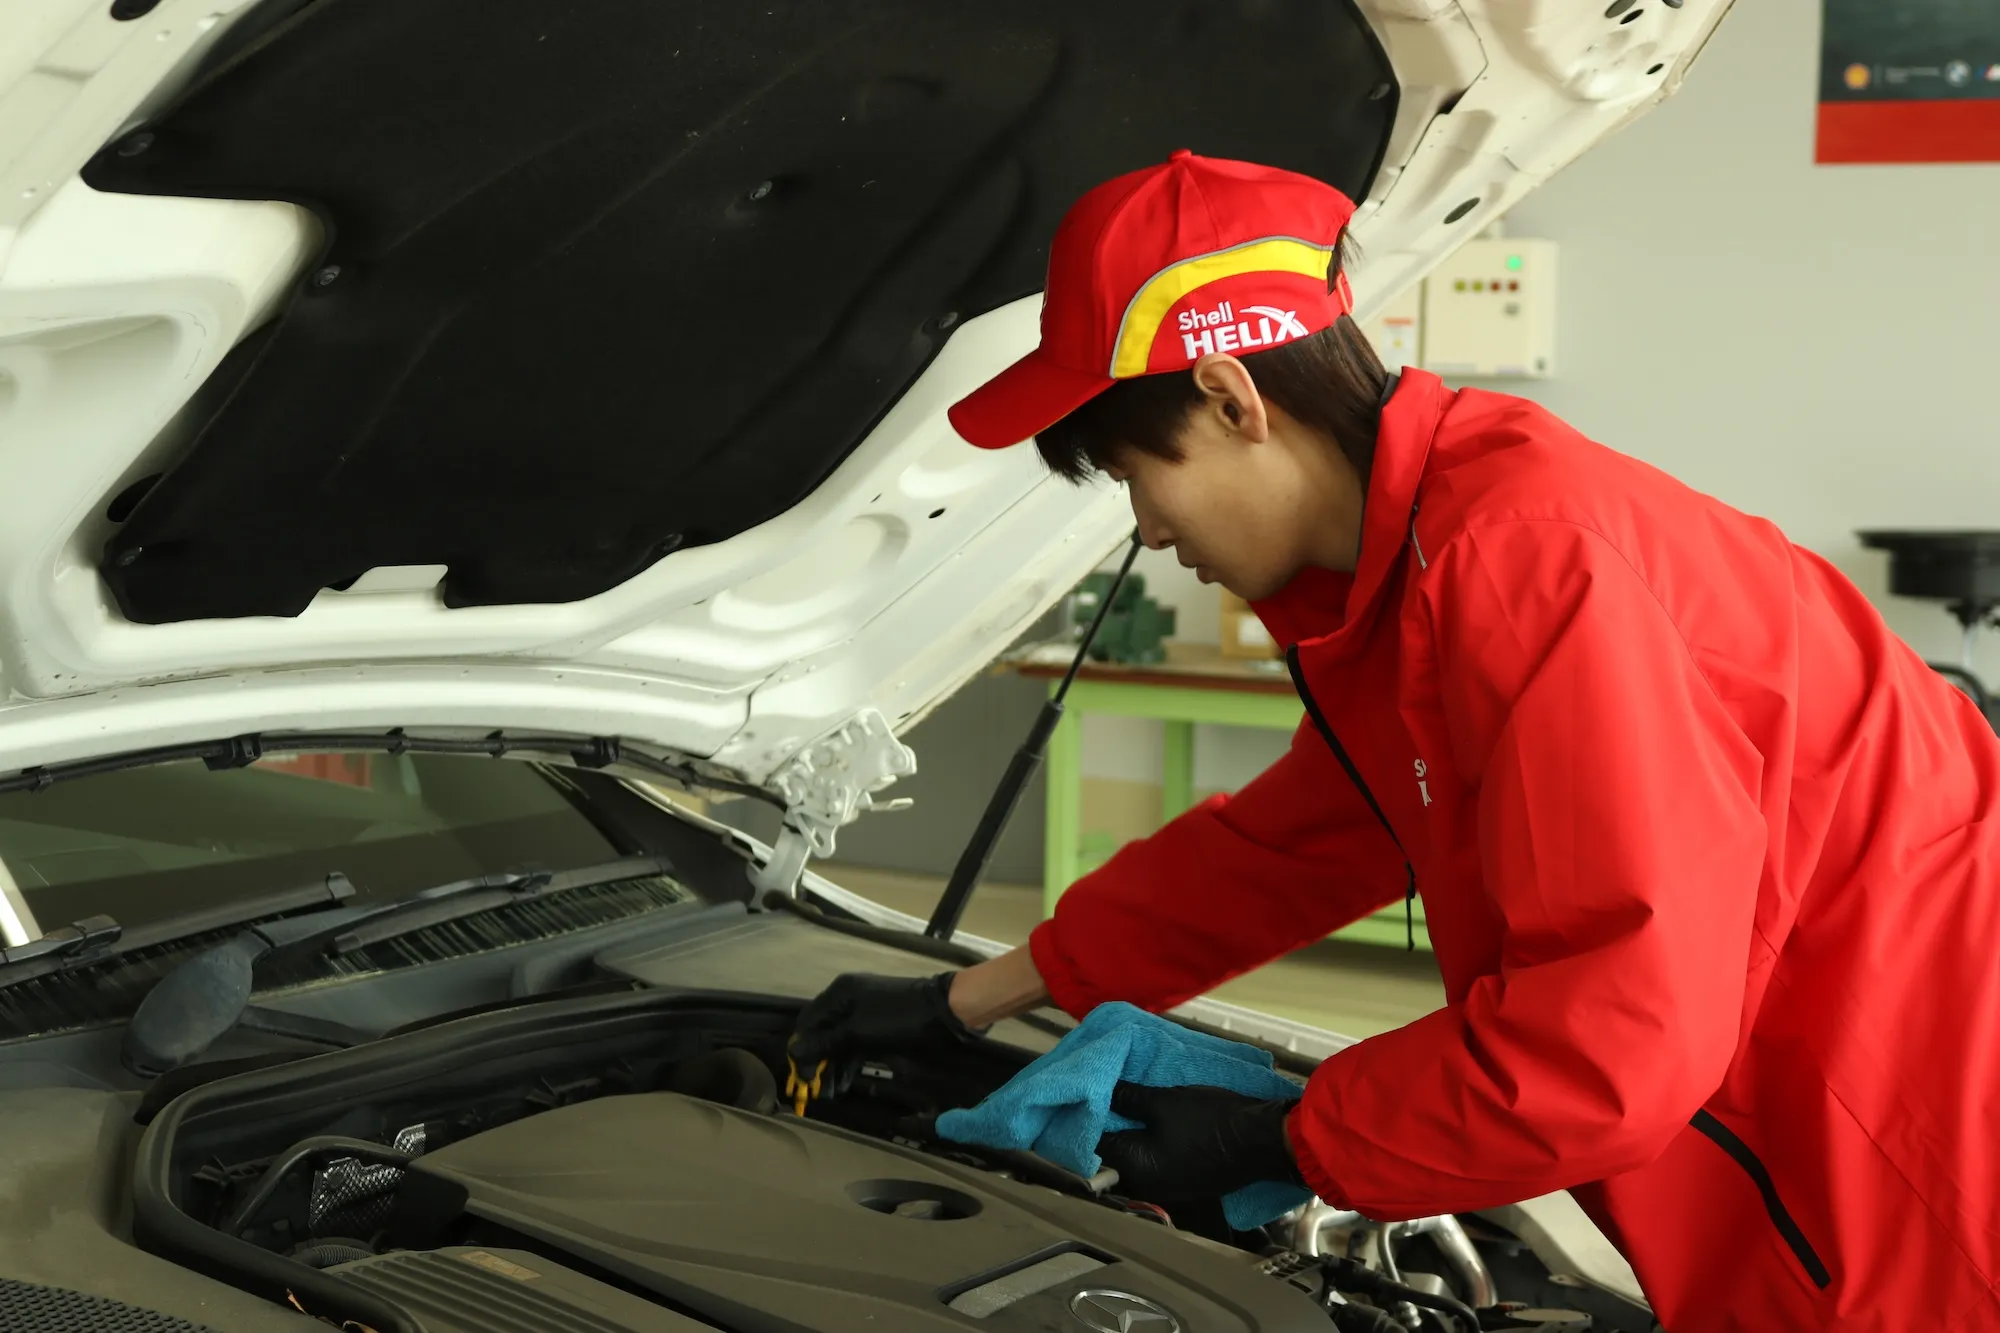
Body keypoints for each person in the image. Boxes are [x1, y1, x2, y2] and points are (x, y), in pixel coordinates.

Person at [789, 151, 2000, 1330]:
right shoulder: (1422, 560)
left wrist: (1287, 1136)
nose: (1147, 528)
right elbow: (1295, 846)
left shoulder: (1522, 563)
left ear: (1231, 398)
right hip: (1828, 1117)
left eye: (1134, 474)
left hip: (1916, 1158)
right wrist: (966, 1002)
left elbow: (1609, 1046)